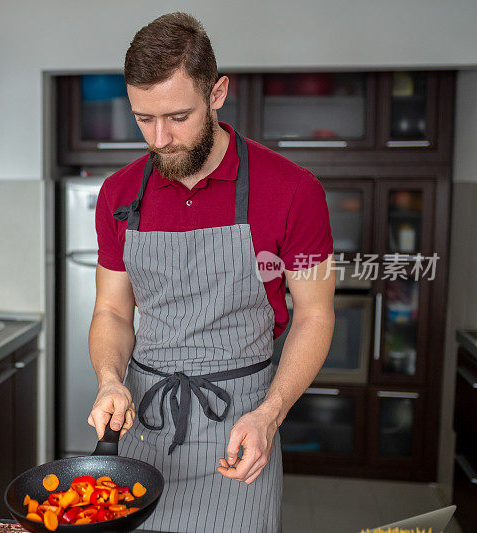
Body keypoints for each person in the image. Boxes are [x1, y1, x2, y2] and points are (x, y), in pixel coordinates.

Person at [87, 12, 336, 533]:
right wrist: (111, 379)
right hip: (145, 428)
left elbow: (315, 315)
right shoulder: (118, 194)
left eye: (178, 116)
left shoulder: (294, 190)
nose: (160, 139)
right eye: (143, 119)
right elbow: (111, 309)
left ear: (217, 93)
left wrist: (271, 414)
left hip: (244, 428)